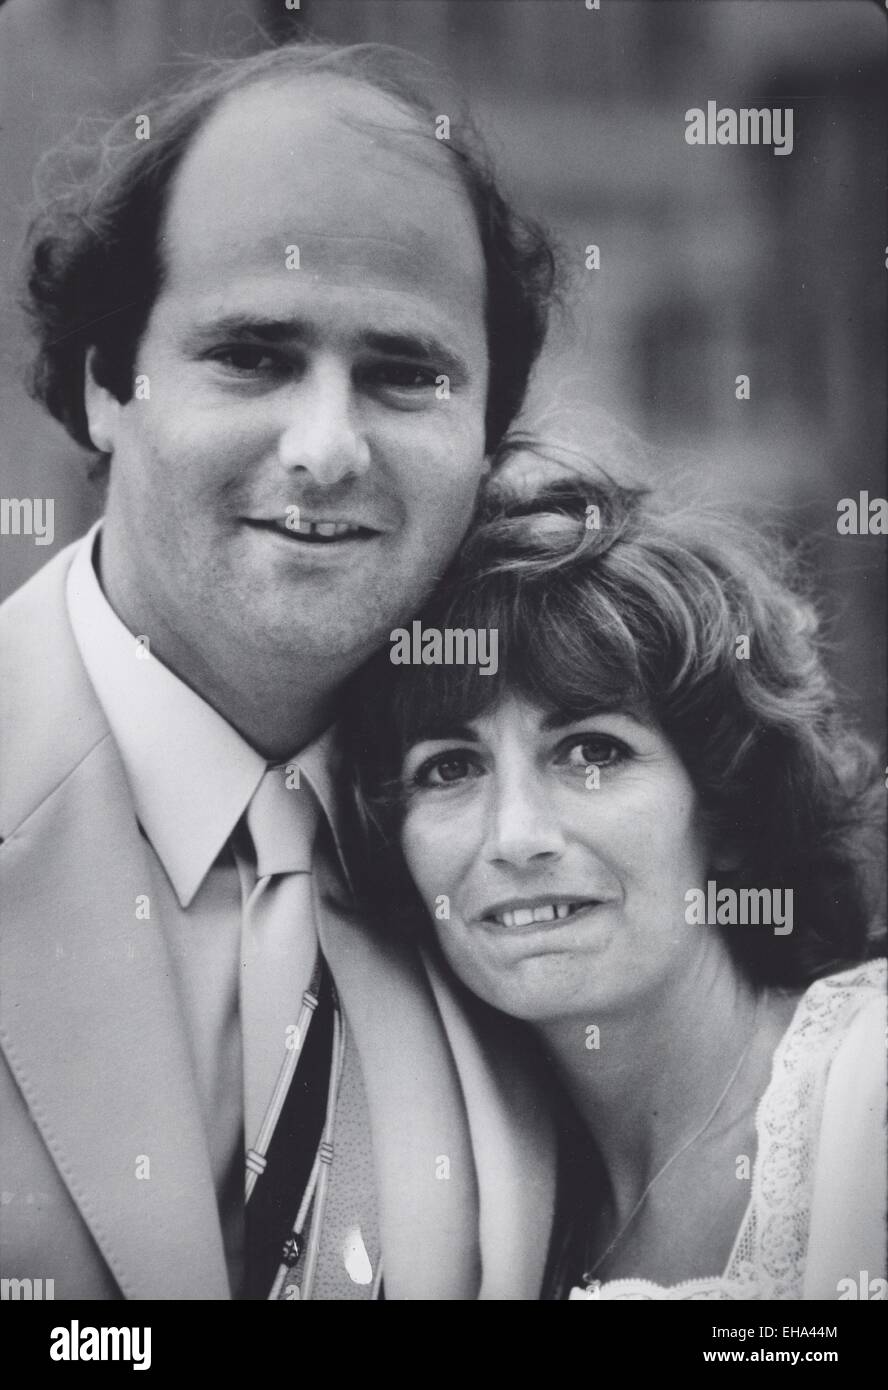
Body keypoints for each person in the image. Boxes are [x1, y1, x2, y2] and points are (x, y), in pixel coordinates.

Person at [0, 42, 560, 1300]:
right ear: (103, 384)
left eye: (404, 373)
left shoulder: (569, 837)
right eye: (252, 355)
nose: (326, 448)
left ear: (487, 435)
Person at [343, 448, 887, 1300]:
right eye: (450, 768)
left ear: (726, 810)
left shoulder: (872, 1096)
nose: (516, 838)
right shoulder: (479, 1216)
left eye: (592, 752)